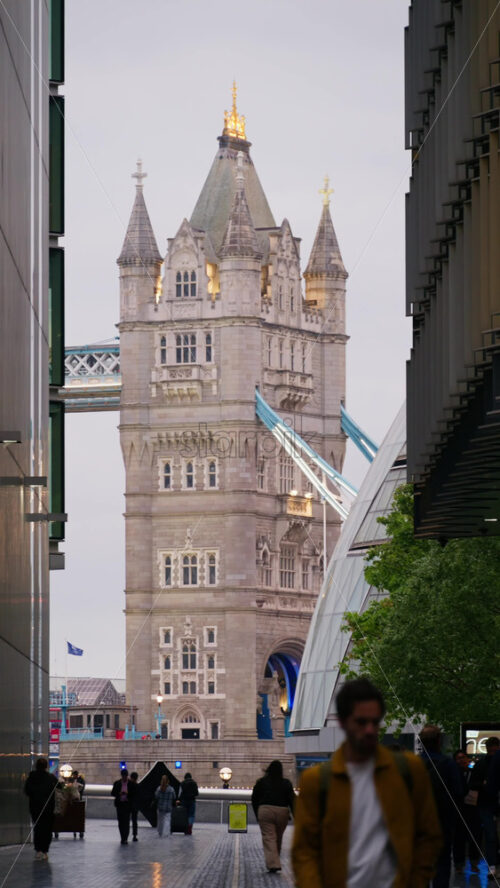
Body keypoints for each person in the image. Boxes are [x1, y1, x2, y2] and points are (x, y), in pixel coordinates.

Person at [292, 677, 442, 888]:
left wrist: (417, 881)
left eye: (375, 722)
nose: (370, 730)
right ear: (343, 722)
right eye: (361, 722)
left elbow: (428, 835)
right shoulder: (316, 781)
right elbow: (304, 850)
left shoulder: (409, 770)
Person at [419, 724, 462, 888]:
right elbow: (459, 791)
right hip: (443, 821)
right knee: (443, 862)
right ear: (439, 740)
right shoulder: (449, 764)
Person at [252, 760, 295, 873]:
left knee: (269, 837)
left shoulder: (261, 782)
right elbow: (292, 800)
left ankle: (273, 863)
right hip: (282, 812)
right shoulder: (286, 783)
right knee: (278, 837)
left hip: (265, 810)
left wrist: (257, 813)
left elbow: (254, 799)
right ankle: (275, 860)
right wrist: (295, 815)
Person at [470, 736, 500, 880]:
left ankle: (492, 866)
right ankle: (493, 865)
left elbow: (472, 783)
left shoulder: (481, 764)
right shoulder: (484, 764)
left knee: (490, 836)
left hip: (486, 803)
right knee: (491, 835)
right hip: (490, 803)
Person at [452, 749, 481, 874]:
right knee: (458, 838)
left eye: (463, 757)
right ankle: (459, 865)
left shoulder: (474, 773)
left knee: (474, 837)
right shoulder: (453, 774)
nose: (462, 760)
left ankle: (474, 863)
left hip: (473, 809)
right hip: (458, 810)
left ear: (468, 759)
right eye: (458, 758)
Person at [24, 757, 58, 860]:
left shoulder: (31, 777)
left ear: (36, 766)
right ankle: (44, 850)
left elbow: (27, 791)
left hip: (35, 808)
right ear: (46, 766)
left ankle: (38, 850)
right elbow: (59, 787)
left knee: (37, 828)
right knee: (47, 830)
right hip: (48, 809)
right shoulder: (51, 778)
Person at [111, 768, 133, 844]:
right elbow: (113, 793)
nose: (125, 778)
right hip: (120, 804)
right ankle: (122, 837)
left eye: (126, 776)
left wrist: (128, 794)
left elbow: (134, 794)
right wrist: (119, 793)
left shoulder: (131, 784)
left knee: (126, 822)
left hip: (127, 805)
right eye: (123, 776)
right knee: (120, 822)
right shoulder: (117, 783)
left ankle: (125, 838)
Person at [129, 772, 139, 841]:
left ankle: (125, 835)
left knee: (126, 820)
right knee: (134, 821)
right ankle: (134, 835)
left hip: (127, 805)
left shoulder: (128, 785)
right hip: (135, 806)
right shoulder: (138, 786)